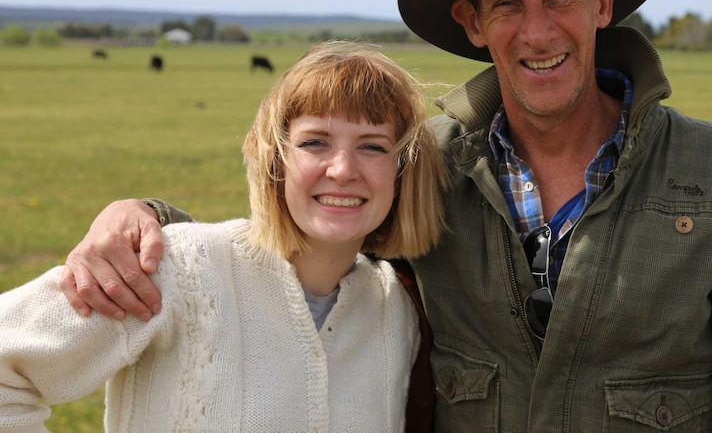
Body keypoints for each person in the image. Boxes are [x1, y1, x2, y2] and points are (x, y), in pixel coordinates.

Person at [59, 0, 712, 432]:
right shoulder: (426, 166)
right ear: (470, 22)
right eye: (507, 5)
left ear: (603, 1)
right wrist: (143, 221)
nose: (538, 30)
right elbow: (290, 250)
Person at [0, 41, 446, 432]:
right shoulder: (176, 269)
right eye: (315, 143)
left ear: (402, 171)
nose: (344, 170)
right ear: (275, 160)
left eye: (372, 146)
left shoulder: (399, 312)